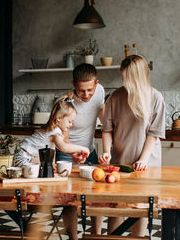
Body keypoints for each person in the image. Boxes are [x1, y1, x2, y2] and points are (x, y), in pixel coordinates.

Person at [99, 54, 166, 237]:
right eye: (122, 76)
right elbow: (107, 129)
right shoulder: (115, 96)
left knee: (141, 208)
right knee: (116, 206)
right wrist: (106, 151)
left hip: (146, 163)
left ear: (139, 76)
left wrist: (143, 160)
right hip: (119, 161)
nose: (124, 81)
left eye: (127, 77)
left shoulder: (155, 98)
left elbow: (153, 134)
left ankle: (138, 237)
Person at [55, 63, 105, 239]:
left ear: (97, 83)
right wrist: (73, 153)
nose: (86, 95)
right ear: (73, 84)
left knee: (98, 194)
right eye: (82, 90)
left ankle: (96, 235)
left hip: (89, 151)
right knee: (69, 200)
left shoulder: (100, 91)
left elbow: (102, 116)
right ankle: (73, 238)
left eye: (90, 90)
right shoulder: (64, 103)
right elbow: (64, 139)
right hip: (65, 153)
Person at [13, 92, 89, 167]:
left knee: (49, 164)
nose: (71, 125)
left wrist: (73, 153)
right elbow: (63, 147)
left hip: (20, 155)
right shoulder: (55, 132)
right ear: (59, 118)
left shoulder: (52, 129)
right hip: (23, 158)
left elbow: (54, 149)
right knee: (46, 165)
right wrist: (83, 148)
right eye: (69, 121)